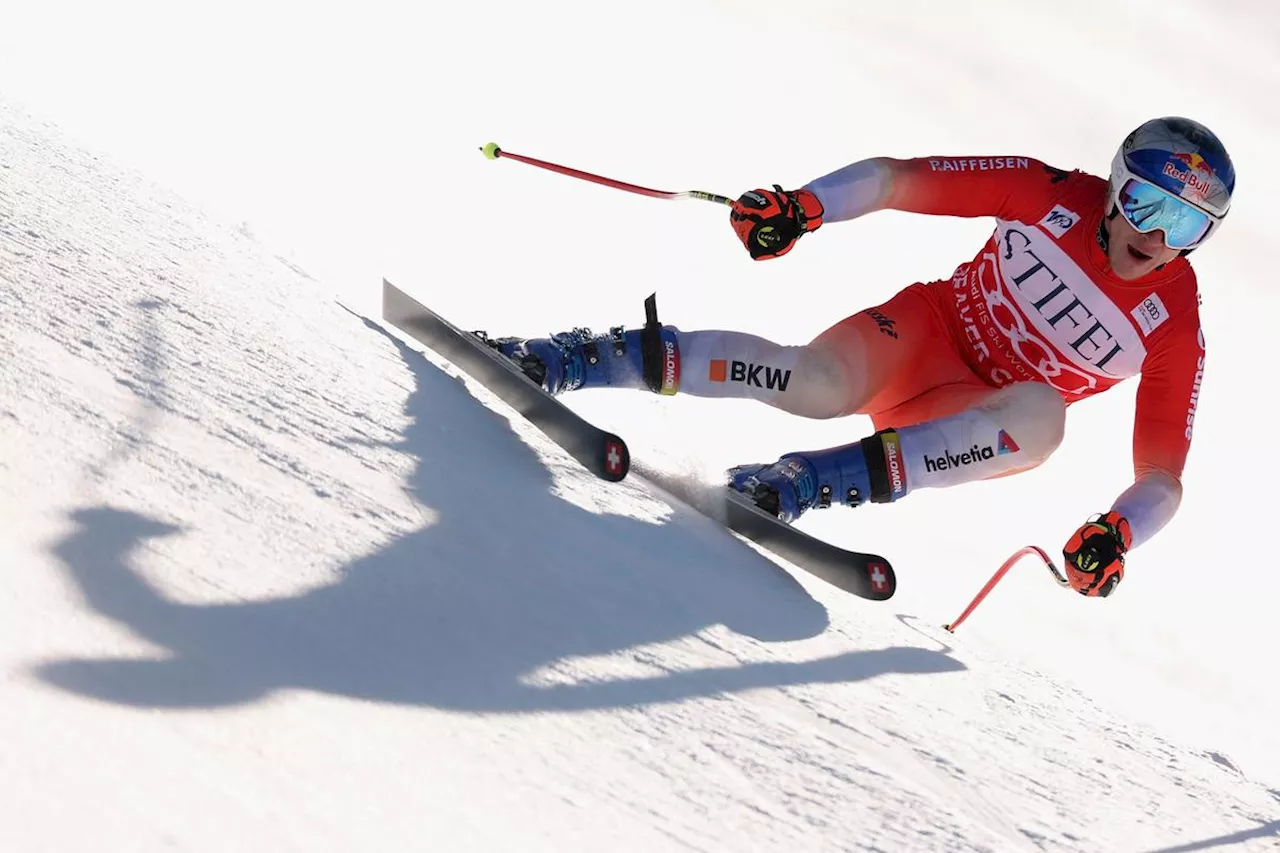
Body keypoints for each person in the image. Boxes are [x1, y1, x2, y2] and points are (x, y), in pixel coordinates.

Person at [487, 117, 1233, 598]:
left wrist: (1116, 533)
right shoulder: (1050, 193)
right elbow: (898, 178)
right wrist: (805, 207)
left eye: (1188, 225)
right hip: (922, 336)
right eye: (1146, 205)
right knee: (811, 382)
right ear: (1114, 188)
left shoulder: (1174, 324)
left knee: (1043, 417)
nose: (1158, 237)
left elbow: (1163, 476)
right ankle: (576, 358)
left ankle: (803, 481)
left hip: (969, 418)